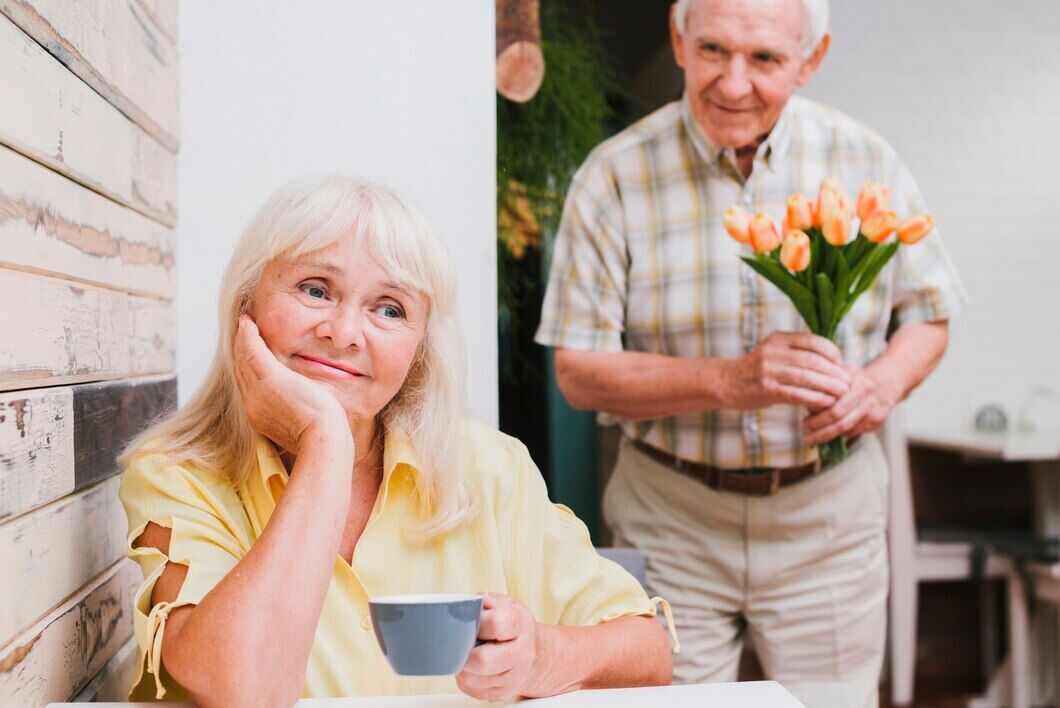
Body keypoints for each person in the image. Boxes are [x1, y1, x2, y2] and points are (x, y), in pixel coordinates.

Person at [535, 1, 967, 706]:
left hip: (828, 518)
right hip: (670, 514)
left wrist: (880, 387)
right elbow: (578, 373)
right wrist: (730, 381)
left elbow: (929, 317)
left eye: (764, 59)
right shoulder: (611, 174)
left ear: (811, 59)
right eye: (712, 50)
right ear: (678, 40)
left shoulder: (863, 158)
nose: (733, 83)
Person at [118, 175, 676, 704]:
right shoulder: (177, 474)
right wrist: (324, 444)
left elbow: (649, 654)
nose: (343, 332)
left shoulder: (488, 466)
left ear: (418, 350)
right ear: (246, 310)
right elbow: (245, 692)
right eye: (315, 289)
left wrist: (539, 657)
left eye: (389, 309)